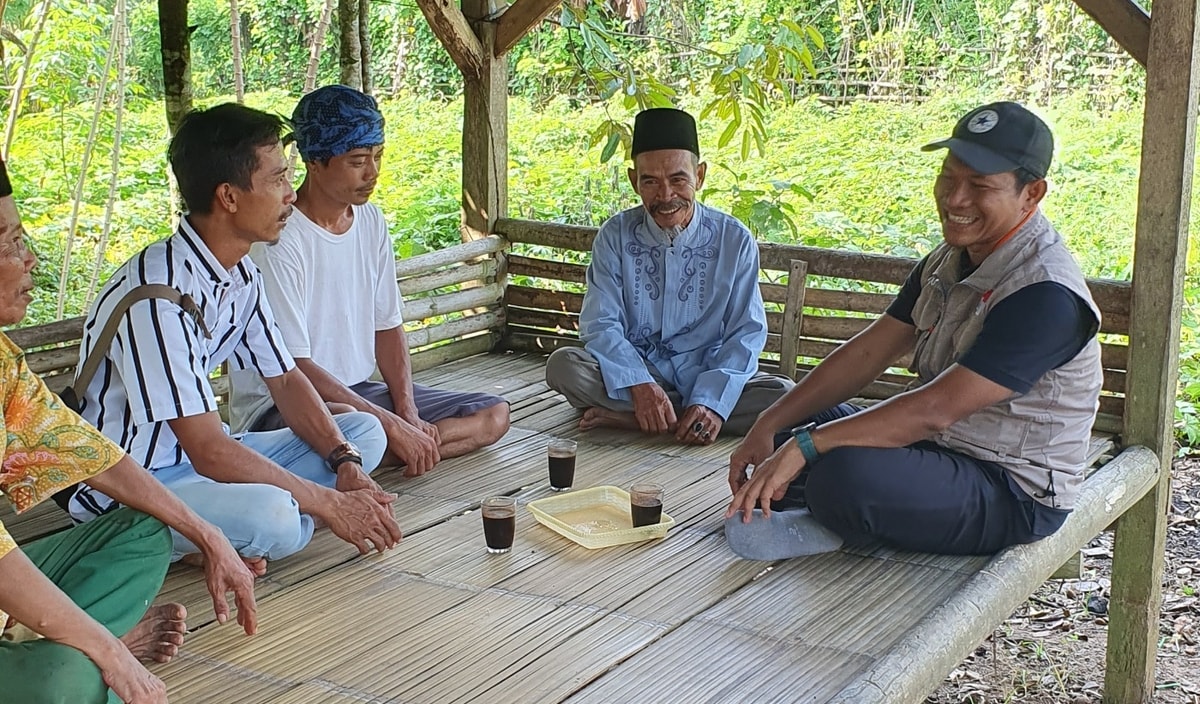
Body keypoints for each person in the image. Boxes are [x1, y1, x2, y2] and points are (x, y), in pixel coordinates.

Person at [725, 102, 1103, 558]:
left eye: (979, 185)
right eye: (949, 177)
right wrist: (771, 424)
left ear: (1031, 194)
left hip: (1010, 488)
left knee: (839, 473)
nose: (955, 198)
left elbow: (936, 409)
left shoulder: (1044, 293)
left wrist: (809, 447)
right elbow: (867, 354)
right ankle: (838, 510)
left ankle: (841, 519)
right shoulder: (947, 260)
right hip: (942, 450)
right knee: (790, 435)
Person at [64, 103, 403, 567]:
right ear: (228, 196)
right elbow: (207, 451)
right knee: (277, 519)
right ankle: (215, 535)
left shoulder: (240, 273)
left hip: (206, 461)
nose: (290, 195)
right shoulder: (157, 295)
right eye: (278, 180)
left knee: (362, 433)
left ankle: (232, 532)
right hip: (134, 482)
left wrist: (345, 463)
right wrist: (327, 503)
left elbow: (284, 379)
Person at [0, 156, 257, 704]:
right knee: (64, 683)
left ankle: (59, 646)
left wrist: (208, 536)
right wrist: (110, 651)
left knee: (144, 531)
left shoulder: (2, 362)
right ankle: (83, 654)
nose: (30, 260)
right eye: (10, 244)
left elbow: (93, 456)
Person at [229, 85, 509, 477]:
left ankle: (378, 454)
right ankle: (371, 450)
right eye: (358, 160)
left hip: (357, 392)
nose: (372, 173)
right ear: (315, 162)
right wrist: (389, 422)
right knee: (359, 426)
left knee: (493, 414)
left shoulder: (370, 221)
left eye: (377, 157)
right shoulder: (281, 241)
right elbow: (294, 366)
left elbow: (387, 326)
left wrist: (406, 411)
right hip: (283, 406)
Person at [544, 107, 793, 445]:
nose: (665, 196)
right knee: (564, 367)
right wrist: (639, 383)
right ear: (634, 181)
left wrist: (711, 401)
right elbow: (600, 324)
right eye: (650, 182)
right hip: (636, 376)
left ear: (700, 176)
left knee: (784, 395)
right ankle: (668, 415)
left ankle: (639, 420)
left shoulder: (733, 240)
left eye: (678, 179)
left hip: (703, 373)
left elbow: (746, 333)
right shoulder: (614, 236)